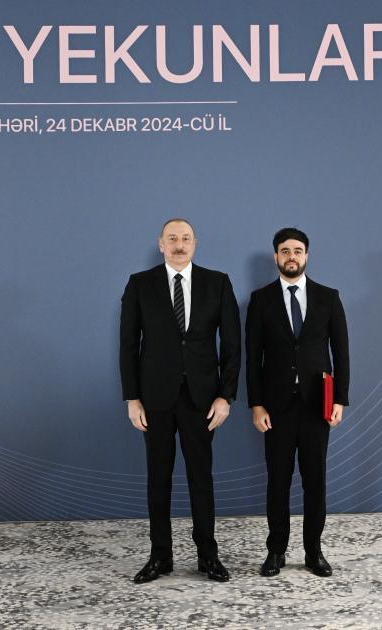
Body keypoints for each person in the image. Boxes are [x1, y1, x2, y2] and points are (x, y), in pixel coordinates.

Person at [120, 218, 241, 583]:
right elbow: (128, 346)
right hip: (154, 399)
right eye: (172, 238)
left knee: (201, 478)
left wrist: (225, 396)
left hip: (201, 400)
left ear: (195, 243)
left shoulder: (217, 283)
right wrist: (132, 398)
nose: (179, 244)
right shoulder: (140, 284)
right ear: (161, 244)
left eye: (185, 238)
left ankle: (208, 556)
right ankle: (160, 557)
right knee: (158, 479)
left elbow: (232, 347)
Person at [245, 227, 350, 577]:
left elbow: (341, 353)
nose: (292, 256)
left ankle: (313, 551)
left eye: (298, 251)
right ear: (276, 256)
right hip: (276, 407)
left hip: (317, 405)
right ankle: (275, 551)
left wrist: (340, 399)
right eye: (285, 251)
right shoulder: (260, 300)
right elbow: (252, 358)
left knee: (314, 481)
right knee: (277, 481)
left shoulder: (328, 297)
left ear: (307, 256)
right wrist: (256, 404)